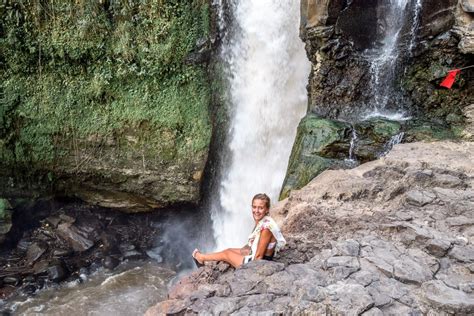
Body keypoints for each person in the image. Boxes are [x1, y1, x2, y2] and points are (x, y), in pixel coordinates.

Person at [192, 193, 286, 268]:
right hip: (257, 256)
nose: (256, 211)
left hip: (260, 264)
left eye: (260, 208)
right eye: (254, 207)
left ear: (267, 209)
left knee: (227, 254)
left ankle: (201, 257)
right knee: (230, 250)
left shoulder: (266, 228)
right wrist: (244, 251)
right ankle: (205, 259)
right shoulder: (263, 220)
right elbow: (254, 246)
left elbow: (258, 257)